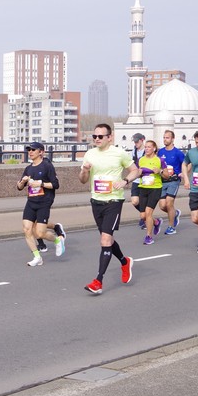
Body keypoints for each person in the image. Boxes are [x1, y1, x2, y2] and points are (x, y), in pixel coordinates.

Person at [78, 122, 140, 295]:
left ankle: (98, 281)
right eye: (94, 136)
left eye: (100, 136)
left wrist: (125, 181)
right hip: (96, 201)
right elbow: (83, 180)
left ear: (109, 137)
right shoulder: (90, 154)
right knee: (108, 240)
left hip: (113, 201)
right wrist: (85, 170)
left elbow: (136, 170)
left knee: (105, 240)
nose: (97, 139)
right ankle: (125, 262)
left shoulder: (119, 153)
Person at [16, 141, 64, 266]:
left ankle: (57, 240)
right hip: (31, 201)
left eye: (33, 149)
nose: (30, 152)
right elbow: (19, 187)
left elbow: (55, 185)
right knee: (27, 229)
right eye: (29, 150)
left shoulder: (47, 166)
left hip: (44, 202)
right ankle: (37, 257)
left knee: (40, 233)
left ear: (41, 152)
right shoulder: (28, 168)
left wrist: (40, 184)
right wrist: (22, 182)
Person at [156, 130, 186, 235]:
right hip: (163, 181)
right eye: (164, 137)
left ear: (173, 139)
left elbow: (187, 164)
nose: (165, 139)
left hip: (174, 180)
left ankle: (171, 227)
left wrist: (183, 173)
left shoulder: (178, 153)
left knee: (169, 203)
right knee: (162, 206)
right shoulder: (160, 152)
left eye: (167, 138)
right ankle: (175, 213)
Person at [136, 139, 164, 245]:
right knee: (143, 216)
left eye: (149, 147)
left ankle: (149, 236)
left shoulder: (159, 160)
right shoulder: (140, 160)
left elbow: (166, 175)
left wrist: (160, 171)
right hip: (143, 188)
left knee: (148, 213)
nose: (147, 149)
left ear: (154, 148)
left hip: (155, 188)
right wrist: (138, 173)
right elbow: (137, 173)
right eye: (146, 147)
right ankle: (156, 222)